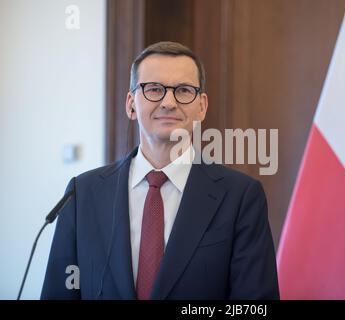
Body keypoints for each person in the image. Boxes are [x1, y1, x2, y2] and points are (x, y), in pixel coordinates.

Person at [41, 41, 279, 300]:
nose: (168, 102)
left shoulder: (241, 197)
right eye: (154, 89)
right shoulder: (82, 193)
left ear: (202, 106)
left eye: (184, 90)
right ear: (131, 104)